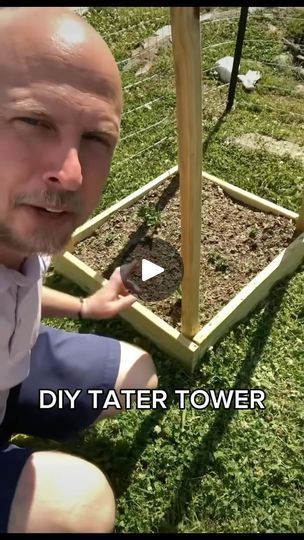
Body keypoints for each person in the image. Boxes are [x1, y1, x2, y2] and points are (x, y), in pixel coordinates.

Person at [0, 7, 158, 533]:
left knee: (141, 378)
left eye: (96, 139)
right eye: (34, 121)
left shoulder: (18, 231)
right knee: (78, 506)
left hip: (13, 364)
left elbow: (20, 289)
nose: (70, 174)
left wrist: (87, 306)